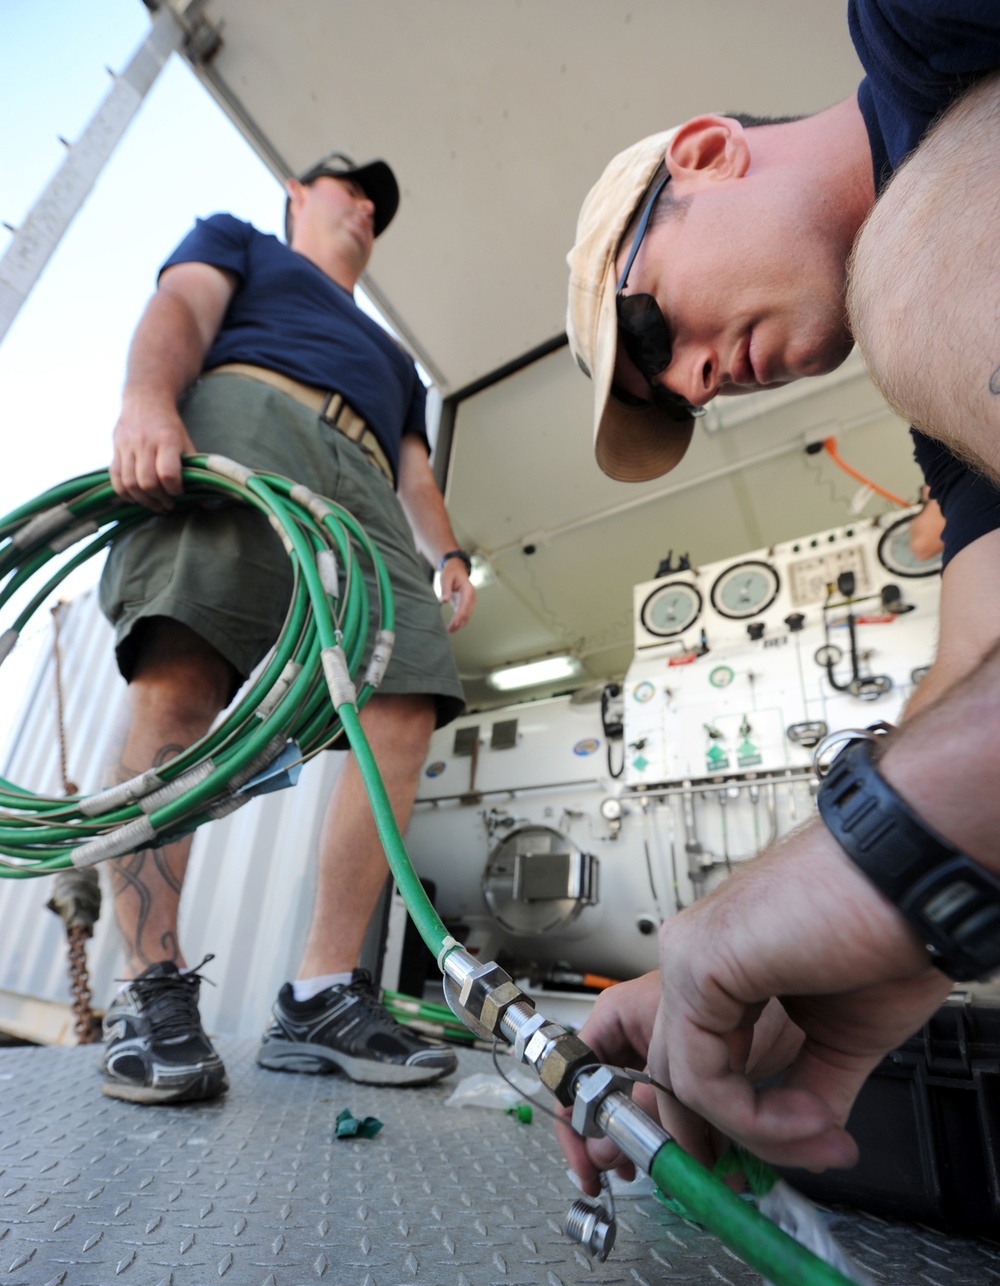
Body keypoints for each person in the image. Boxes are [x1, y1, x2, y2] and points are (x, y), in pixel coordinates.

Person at [560, 0, 1000, 1182]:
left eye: (649, 332)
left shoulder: (915, 29)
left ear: (705, 151)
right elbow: (976, 682)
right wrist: (830, 920)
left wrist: (896, 850)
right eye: (674, 399)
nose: (694, 382)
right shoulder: (955, 434)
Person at [100, 152, 476, 1104]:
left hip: (364, 484)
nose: (363, 206)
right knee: (184, 659)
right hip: (251, 413)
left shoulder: (396, 360)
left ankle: (320, 994)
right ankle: (150, 987)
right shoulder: (242, 240)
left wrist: (450, 555)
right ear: (298, 196)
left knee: (407, 699)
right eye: (347, 185)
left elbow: (415, 475)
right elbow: (181, 309)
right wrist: (147, 400)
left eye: (376, 205)